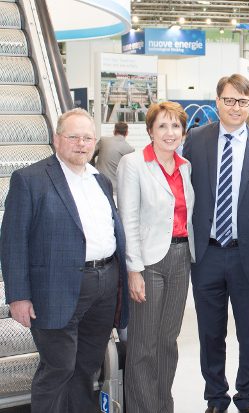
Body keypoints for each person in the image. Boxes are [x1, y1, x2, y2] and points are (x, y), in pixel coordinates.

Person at [0, 108, 129, 412]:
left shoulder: (101, 181)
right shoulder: (29, 179)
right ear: (57, 140)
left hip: (104, 286)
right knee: (58, 368)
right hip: (55, 290)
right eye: (73, 137)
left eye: (87, 138)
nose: (81, 144)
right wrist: (18, 296)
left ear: (95, 143)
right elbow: (13, 242)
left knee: (87, 367)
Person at [183, 74, 249, 413]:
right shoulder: (196, 140)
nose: (235, 107)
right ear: (217, 102)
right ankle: (215, 396)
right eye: (229, 100)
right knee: (210, 333)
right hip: (207, 254)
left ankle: (247, 396)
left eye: (242, 101)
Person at [117, 101, 195, 413]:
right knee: (144, 344)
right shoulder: (133, 163)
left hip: (181, 257)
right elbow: (128, 220)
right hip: (148, 263)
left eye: (176, 126)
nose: (169, 132)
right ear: (150, 130)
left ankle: (163, 406)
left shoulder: (185, 166)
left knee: (168, 341)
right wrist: (133, 270)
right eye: (162, 125)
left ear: (184, 132)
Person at [91, 121, 134, 195]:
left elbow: (91, 154)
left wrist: (93, 168)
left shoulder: (103, 140)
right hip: (115, 189)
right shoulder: (130, 149)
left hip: (97, 183)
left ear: (114, 132)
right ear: (127, 133)